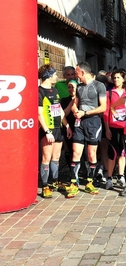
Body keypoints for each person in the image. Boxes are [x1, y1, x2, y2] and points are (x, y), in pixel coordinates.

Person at [67, 62, 107, 198]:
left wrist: (85, 113)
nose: (75, 75)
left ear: (82, 72)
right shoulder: (79, 87)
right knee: (76, 152)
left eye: (76, 72)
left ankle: (90, 182)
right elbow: (75, 104)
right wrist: (75, 110)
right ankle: (74, 183)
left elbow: (103, 107)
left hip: (93, 122)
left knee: (91, 154)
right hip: (80, 122)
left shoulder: (98, 86)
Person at [38, 64, 72, 198]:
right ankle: (45, 186)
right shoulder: (40, 91)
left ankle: (55, 182)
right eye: (54, 74)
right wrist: (47, 131)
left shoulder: (55, 91)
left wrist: (67, 125)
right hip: (48, 129)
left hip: (59, 128)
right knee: (46, 158)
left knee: (56, 158)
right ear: (48, 76)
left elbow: (60, 111)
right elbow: (39, 114)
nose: (57, 77)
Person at [102, 69, 126, 190]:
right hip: (113, 127)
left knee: (122, 152)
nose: (116, 80)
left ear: (123, 79)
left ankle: (121, 175)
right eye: (114, 78)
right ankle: (109, 178)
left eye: (118, 77)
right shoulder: (109, 93)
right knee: (112, 152)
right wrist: (107, 128)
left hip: (125, 127)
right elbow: (106, 112)